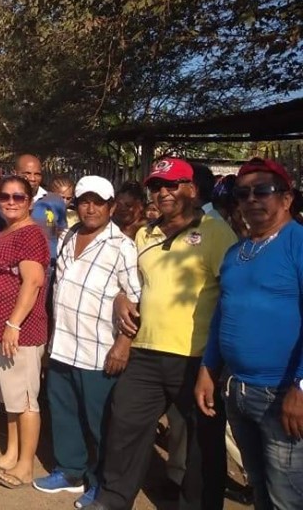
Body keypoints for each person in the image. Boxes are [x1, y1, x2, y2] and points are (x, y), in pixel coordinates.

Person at [92, 157, 235, 510]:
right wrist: (120, 298)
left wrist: (217, 363)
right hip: (144, 352)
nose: (164, 192)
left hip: (196, 357)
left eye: (172, 184)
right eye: (156, 186)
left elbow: (231, 295)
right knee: (125, 426)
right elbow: (133, 284)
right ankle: (113, 499)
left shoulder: (217, 233)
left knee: (202, 441)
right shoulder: (145, 234)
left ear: (191, 189)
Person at [196, 158, 303, 509]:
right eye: (243, 194)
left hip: (283, 394)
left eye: (262, 191)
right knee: (260, 487)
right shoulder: (236, 252)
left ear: (286, 198)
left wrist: (301, 387)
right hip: (238, 390)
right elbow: (221, 315)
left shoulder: (298, 243)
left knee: (287, 496)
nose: (251, 199)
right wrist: (208, 369)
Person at [32, 177, 139, 509]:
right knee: (64, 412)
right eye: (84, 201)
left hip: (99, 349)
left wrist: (123, 344)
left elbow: (135, 298)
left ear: (111, 206)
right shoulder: (68, 236)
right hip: (63, 343)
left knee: (100, 422)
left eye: (98, 202)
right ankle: (70, 470)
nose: (90, 208)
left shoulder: (122, 246)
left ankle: (101, 482)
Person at [0, 175, 50, 492]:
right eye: (5, 196)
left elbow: (33, 282)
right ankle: (11, 454)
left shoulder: (31, 234)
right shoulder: (9, 230)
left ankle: (25, 465)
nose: (11, 202)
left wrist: (13, 324)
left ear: (30, 201)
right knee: (11, 397)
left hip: (19, 331)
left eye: (19, 197)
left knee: (26, 400)